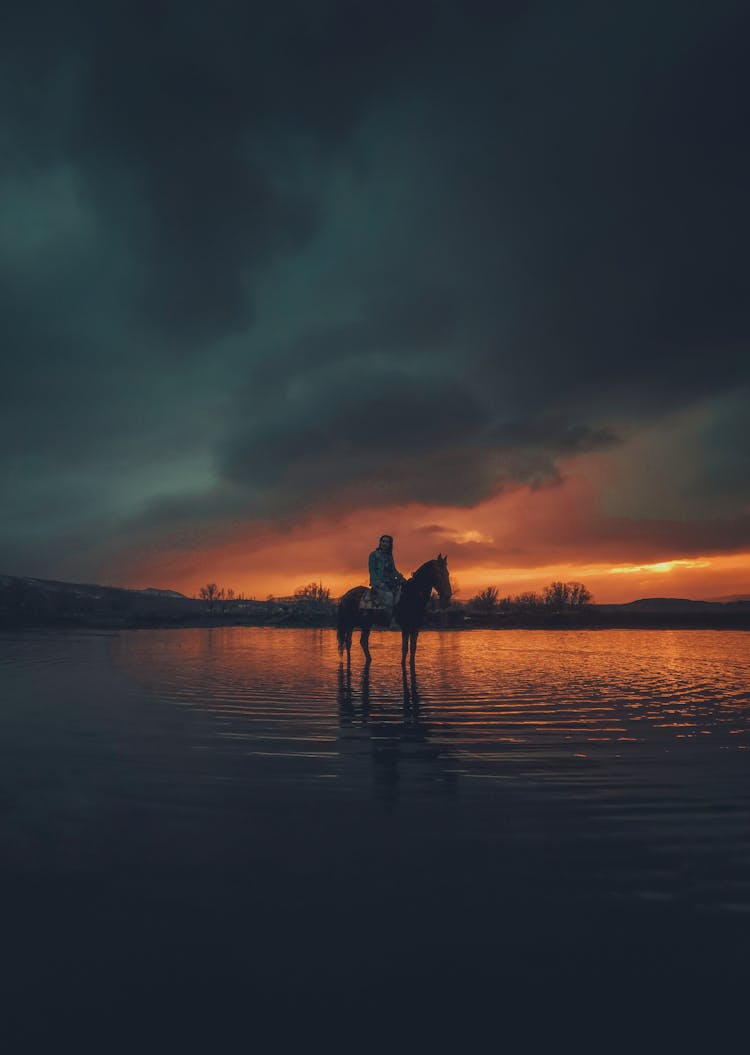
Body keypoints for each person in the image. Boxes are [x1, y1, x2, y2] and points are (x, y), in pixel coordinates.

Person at [368, 534, 406, 622]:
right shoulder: (373, 555)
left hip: (390, 582)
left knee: (404, 594)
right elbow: (372, 570)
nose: (385, 543)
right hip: (378, 583)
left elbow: (393, 570)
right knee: (389, 596)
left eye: (387, 542)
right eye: (383, 541)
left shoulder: (389, 556)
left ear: (390, 544)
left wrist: (401, 578)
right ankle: (388, 620)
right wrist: (377, 582)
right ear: (380, 542)